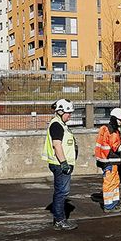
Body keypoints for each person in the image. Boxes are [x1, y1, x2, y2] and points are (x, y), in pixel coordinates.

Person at [42, 98, 78, 231]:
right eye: (68, 113)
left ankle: (59, 219)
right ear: (60, 111)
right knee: (62, 192)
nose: (70, 115)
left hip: (61, 164)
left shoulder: (61, 124)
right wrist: (64, 164)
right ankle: (60, 221)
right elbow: (57, 145)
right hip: (60, 165)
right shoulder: (57, 125)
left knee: (61, 192)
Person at [95, 107, 121, 213]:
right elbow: (115, 147)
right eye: (120, 120)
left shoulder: (108, 129)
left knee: (114, 182)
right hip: (109, 161)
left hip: (109, 162)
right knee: (110, 183)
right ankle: (109, 206)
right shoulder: (112, 132)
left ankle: (115, 203)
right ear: (115, 119)